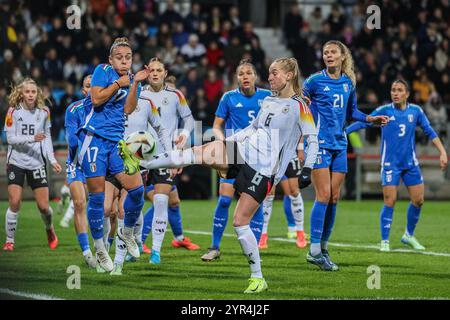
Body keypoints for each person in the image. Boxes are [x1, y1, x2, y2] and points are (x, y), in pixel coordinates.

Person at [132, 57, 319, 293]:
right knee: (199, 152)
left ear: (290, 75)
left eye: (275, 73)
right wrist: (226, 143)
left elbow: (313, 140)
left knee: (240, 222)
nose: (270, 78)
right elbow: (253, 129)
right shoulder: (269, 100)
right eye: (269, 73)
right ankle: (144, 163)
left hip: (264, 170)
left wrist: (308, 169)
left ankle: (258, 277)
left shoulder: (299, 105)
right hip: (243, 152)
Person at [302, 40, 388, 271]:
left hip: (340, 144)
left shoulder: (348, 82)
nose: (328, 55)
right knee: (323, 194)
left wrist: (370, 119)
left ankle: (324, 248)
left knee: (334, 197)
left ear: (342, 57)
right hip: (319, 143)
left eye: (333, 52)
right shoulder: (313, 81)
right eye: (325, 52)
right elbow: (299, 106)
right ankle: (314, 251)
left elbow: (351, 112)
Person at [345, 79, 448, 251]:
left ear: (407, 94)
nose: (395, 93)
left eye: (399, 90)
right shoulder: (385, 111)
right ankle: (384, 241)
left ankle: (408, 235)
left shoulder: (416, 111)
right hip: (390, 164)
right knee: (390, 200)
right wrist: (344, 131)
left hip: (410, 163)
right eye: (393, 90)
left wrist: (442, 152)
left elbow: (429, 130)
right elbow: (365, 121)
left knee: (418, 200)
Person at [77, 37, 150, 272]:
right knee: (98, 200)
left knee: (138, 190)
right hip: (95, 140)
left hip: (117, 143)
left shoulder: (128, 79)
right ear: (111, 59)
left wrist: (135, 84)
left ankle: (127, 233)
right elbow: (96, 99)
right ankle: (99, 247)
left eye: (128, 58)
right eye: (119, 57)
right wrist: (119, 84)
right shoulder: (102, 71)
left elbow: (128, 109)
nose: (124, 61)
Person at [200, 59, 271, 262]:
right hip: (234, 151)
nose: (245, 77)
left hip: (258, 153)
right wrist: (222, 142)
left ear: (255, 76)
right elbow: (216, 125)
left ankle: (253, 249)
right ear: (237, 78)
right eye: (241, 74)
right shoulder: (229, 97)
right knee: (224, 199)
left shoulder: (267, 96)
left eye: (249, 73)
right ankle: (214, 247)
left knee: (254, 201)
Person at [108, 76, 172, 276]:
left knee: (123, 211)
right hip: (112, 159)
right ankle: (111, 247)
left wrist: (169, 154)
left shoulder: (147, 103)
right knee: (106, 209)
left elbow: (160, 128)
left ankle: (117, 263)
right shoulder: (113, 99)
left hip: (136, 163)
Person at [138, 57, 196, 265]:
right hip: (139, 157)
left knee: (162, 201)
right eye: (151, 69)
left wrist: (184, 136)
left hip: (165, 157)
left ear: (164, 73)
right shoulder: (138, 94)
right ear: (147, 72)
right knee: (130, 204)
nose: (154, 73)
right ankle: (130, 243)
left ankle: (155, 251)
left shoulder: (175, 95)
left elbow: (189, 119)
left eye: (158, 70)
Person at [3, 78, 62, 251]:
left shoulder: (44, 112)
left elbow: (47, 138)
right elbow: (10, 139)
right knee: (14, 201)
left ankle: (49, 229)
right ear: (21, 93)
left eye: (33, 92)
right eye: (27, 91)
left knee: (44, 207)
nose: (30, 94)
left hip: (36, 163)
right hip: (16, 162)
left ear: (37, 94)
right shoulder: (13, 111)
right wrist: (32, 138)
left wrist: (52, 160)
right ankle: (9, 241)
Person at [63, 74, 96, 268]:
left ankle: (104, 247)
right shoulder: (74, 109)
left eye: (96, 85)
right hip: (77, 162)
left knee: (106, 209)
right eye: (88, 86)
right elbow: (71, 138)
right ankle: (86, 252)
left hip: (99, 163)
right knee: (79, 202)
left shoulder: (108, 109)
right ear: (83, 90)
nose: (92, 88)